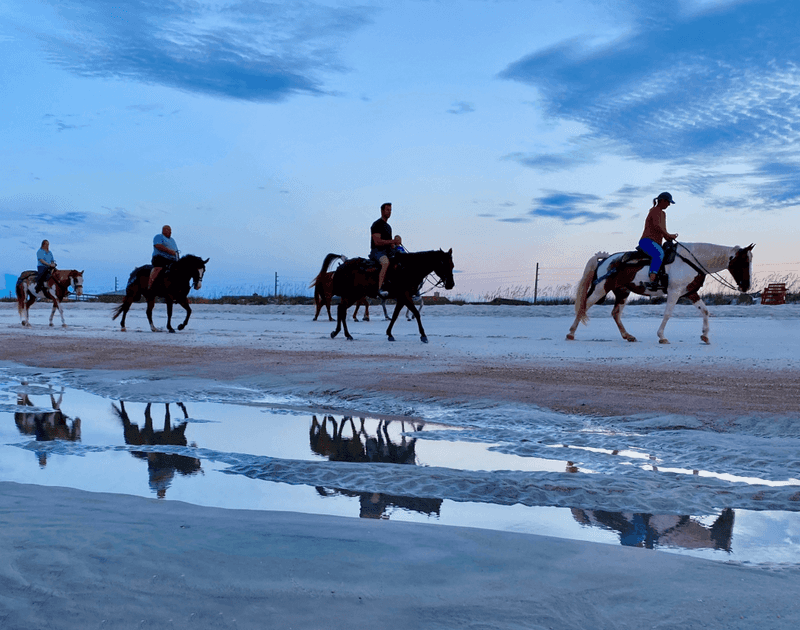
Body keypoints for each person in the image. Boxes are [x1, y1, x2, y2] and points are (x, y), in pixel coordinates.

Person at [639, 192, 678, 290]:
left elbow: (662, 230)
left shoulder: (662, 213)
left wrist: (668, 237)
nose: (669, 205)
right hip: (647, 241)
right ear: (663, 201)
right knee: (659, 254)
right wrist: (668, 235)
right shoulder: (656, 211)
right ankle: (652, 280)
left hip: (656, 242)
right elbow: (658, 227)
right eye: (668, 202)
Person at [369, 202, 402, 298]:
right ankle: (379, 289)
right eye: (387, 210)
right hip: (377, 251)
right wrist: (392, 241)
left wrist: (395, 244)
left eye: (390, 210)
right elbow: (377, 242)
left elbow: (389, 243)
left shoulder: (388, 227)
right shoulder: (377, 224)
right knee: (385, 262)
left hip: (388, 251)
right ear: (382, 211)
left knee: (403, 260)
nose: (389, 212)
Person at [149, 225, 179, 290]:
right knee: (158, 268)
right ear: (164, 230)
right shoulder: (159, 236)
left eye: (171, 231)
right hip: (160, 258)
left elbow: (176, 250)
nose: (170, 232)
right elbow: (158, 245)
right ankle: (151, 284)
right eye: (168, 231)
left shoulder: (172, 240)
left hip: (172, 259)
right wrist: (169, 251)